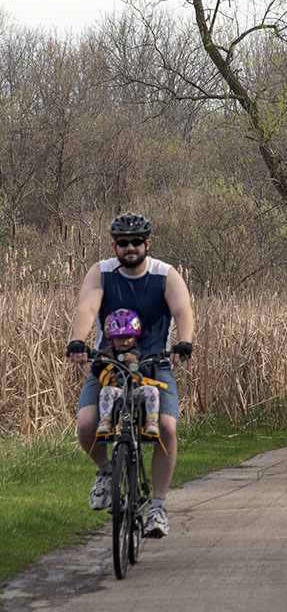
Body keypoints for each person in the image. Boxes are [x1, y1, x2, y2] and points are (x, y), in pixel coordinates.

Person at [66, 212, 194, 538]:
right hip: (108, 364)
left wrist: (184, 343)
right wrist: (79, 341)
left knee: (166, 427)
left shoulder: (165, 274)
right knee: (85, 424)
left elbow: (183, 310)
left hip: (156, 364)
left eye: (137, 242)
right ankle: (106, 472)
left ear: (147, 244)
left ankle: (158, 507)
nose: (130, 248)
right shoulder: (102, 272)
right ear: (115, 246)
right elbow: (87, 308)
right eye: (123, 243)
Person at [94, 309, 162, 438]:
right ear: (111, 338)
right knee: (106, 391)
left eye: (128, 338)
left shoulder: (141, 353)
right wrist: (98, 362)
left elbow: (151, 373)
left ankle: (151, 422)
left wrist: (137, 363)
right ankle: (105, 422)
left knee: (152, 391)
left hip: (137, 390)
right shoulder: (109, 354)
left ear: (135, 337)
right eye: (119, 338)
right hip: (118, 391)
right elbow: (98, 374)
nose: (124, 342)